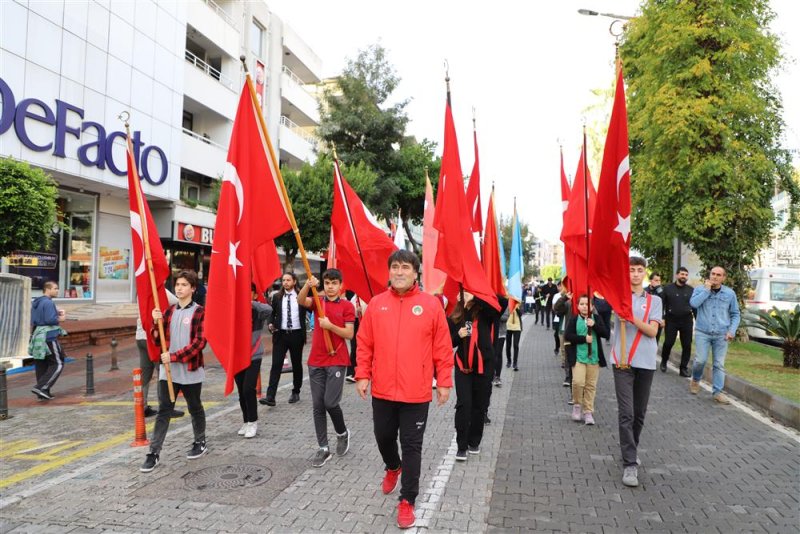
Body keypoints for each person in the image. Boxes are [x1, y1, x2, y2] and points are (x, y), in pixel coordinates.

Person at [355, 250, 452, 529]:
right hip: (382, 390)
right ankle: (392, 466)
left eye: (405, 267)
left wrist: (444, 381)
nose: (399, 272)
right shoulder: (376, 304)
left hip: (416, 392)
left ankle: (407, 500)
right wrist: (362, 374)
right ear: (389, 272)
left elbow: (443, 348)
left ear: (415, 273)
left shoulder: (431, 305)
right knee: (383, 436)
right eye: (395, 267)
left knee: (412, 446)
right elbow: (365, 343)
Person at [140, 270, 207, 473]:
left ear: (193, 289)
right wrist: (155, 322)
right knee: (163, 411)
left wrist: (175, 356)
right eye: (177, 284)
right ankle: (153, 453)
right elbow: (157, 339)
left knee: (195, 406)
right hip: (168, 371)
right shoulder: (169, 312)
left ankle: (200, 441)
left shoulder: (199, 312)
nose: (179, 288)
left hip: (190, 369)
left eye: (184, 285)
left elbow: (200, 342)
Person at [610, 257, 663, 488]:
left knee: (639, 413)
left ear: (645, 273)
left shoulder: (655, 301)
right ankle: (630, 463)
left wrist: (631, 318)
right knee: (626, 413)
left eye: (639, 270)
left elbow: (652, 331)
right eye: (631, 270)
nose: (635, 274)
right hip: (622, 361)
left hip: (646, 361)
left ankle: (632, 448)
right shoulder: (618, 298)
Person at [297, 271, 355, 468]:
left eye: (334, 283)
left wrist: (330, 326)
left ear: (341, 285)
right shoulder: (318, 301)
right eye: (327, 283)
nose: (330, 286)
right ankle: (323, 448)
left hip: (337, 360)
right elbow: (301, 300)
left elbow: (349, 333)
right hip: (316, 361)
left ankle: (342, 432)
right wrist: (307, 285)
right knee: (317, 405)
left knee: (330, 403)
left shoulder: (347, 306)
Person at [449, 291, 505, 462]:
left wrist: (474, 297)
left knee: (479, 406)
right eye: (462, 293)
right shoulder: (455, 315)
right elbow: (447, 342)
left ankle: (474, 441)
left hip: (484, 367)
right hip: (463, 367)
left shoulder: (486, 312)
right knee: (464, 405)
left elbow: (501, 303)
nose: (464, 296)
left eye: (467, 293)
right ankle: (461, 445)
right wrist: (458, 336)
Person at [688, 266, 740, 404]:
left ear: (723, 278)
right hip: (702, 332)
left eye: (718, 275)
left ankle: (717, 392)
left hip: (721, 334)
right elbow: (693, 303)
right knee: (700, 361)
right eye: (713, 274)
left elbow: (735, 314)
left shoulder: (730, 294)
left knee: (719, 364)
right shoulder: (699, 290)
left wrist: (732, 331)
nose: (715, 277)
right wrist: (706, 290)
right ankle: (696, 379)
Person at [262, 272, 307, 406]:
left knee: (296, 363)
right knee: (276, 365)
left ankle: (296, 391)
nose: (285, 282)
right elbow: (272, 313)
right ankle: (270, 396)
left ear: (294, 281)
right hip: (280, 335)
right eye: (283, 280)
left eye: (288, 280)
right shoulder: (277, 297)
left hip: (296, 334)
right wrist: (270, 324)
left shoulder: (301, 295)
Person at [234, 284, 273, 439]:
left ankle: (253, 421)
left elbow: (268, 310)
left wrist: (249, 302)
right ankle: (245, 420)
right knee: (241, 391)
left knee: (248, 389)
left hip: (253, 355)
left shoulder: (256, 310)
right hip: (237, 356)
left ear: (254, 295)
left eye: (247, 293)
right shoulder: (233, 309)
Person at [135, 289, 181, 417]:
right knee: (162, 372)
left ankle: (142, 407)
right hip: (152, 336)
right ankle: (165, 407)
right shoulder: (158, 289)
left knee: (145, 374)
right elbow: (177, 301)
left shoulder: (141, 290)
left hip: (140, 336)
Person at [564, 295, 609, 425]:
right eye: (582, 304)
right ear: (578, 306)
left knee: (590, 386)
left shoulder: (596, 318)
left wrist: (594, 325)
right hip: (578, 357)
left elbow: (605, 333)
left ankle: (588, 411)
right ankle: (577, 405)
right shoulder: (574, 319)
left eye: (587, 304)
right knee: (578, 382)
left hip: (594, 358)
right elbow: (568, 335)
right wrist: (583, 339)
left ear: (592, 307)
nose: (584, 306)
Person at [30, 281, 67, 400]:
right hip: (48, 337)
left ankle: (42, 393)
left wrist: (55, 312)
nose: (57, 291)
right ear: (48, 289)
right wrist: (61, 318)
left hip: (37, 336)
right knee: (58, 363)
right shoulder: (48, 302)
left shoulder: (37, 302)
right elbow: (50, 320)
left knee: (42, 364)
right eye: (55, 288)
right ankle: (41, 387)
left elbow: (38, 318)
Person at [660, 267, 694, 376]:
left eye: (686, 274)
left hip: (687, 320)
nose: (684, 276)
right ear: (677, 275)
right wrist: (662, 318)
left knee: (687, 345)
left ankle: (683, 369)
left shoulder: (691, 290)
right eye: (682, 274)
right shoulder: (668, 288)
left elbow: (695, 306)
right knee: (668, 343)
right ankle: (664, 361)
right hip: (671, 320)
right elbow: (661, 305)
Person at [552, 289, 573, 389]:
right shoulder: (568, 303)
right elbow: (556, 308)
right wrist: (564, 298)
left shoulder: (587, 303)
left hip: (581, 335)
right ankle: (568, 377)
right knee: (567, 354)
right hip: (566, 333)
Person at [345, 291, 366, 383]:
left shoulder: (368, 297)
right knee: (354, 348)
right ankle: (351, 372)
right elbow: (349, 311)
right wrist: (356, 311)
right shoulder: (354, 298)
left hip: (366, 323)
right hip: (356, 323)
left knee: (364, 349)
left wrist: (363, 311)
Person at [644, 273, 664, 343]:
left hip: (657, 320)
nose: (658, 282)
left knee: (655, 341)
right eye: (656, 280)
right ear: (650, 281)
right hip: (645, 319)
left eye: (659, 281)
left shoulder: (661, 291)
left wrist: (664, 319)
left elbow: (665, 301)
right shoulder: (644, 290)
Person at [492, 306, 509, 386]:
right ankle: (491, 375)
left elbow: (506, 317)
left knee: (498, 354)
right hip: (490, 332)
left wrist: (495, 314)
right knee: (491, 354)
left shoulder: (504, 301)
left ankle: (497, 376)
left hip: (500, 333)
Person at [505, 304, 523, 370]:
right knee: (508, 345)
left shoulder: (519, 303)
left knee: (516, 345)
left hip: (517, 327)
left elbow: (521, 314)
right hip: (508, 326)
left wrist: (516, 307)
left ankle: (515, 363)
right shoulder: (507, 304)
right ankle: (509, 360)